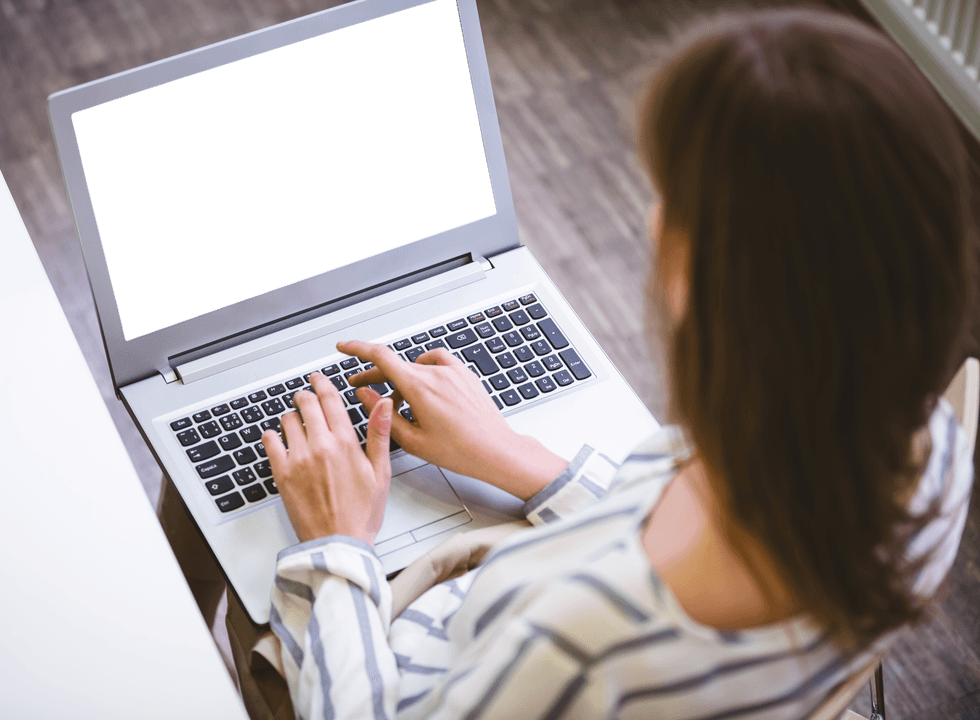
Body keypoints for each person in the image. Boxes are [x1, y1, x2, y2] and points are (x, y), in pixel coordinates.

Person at [219, 6, 976, 718]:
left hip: (415, 675)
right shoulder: (927, 463)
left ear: (700, 282)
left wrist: (339, 545)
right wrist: (519, 459)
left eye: (674, 200)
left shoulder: (578, 650)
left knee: (240, 595)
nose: (652, 217)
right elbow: (659, 537)